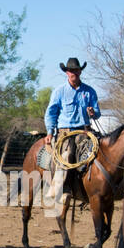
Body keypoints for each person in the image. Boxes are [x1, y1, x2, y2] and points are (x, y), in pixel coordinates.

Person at [43, 57, 101, 198]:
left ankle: (100, 188)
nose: (74, 73)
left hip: (85, 131)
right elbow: (51, 113)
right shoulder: (59, 91)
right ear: (67, 73)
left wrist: (93, 113)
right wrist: (50, 132)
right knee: (68, 156)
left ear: (80, 72)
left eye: (76, 70)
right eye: (71, 71)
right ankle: (61, 187)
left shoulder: (89, 91)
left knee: (101, 152)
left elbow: (97, 113)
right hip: (65, 132)